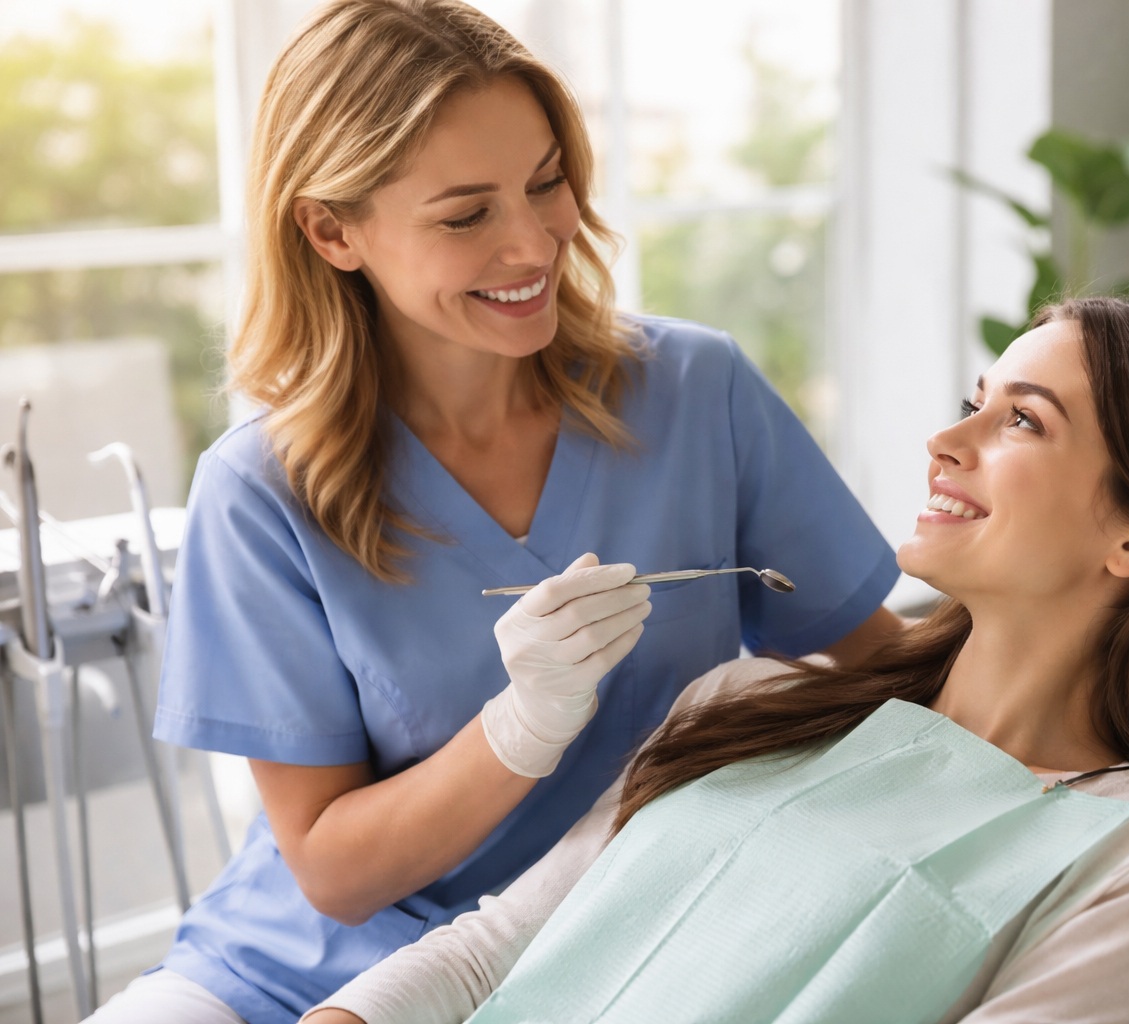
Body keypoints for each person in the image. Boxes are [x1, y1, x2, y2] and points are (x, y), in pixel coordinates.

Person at [89, 2, 903, 1021]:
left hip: (619, 947)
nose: (532, 243)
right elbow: (334, 873)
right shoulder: (263, 490)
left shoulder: (699, 392)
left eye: (547, 183)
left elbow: (888, 668)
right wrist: (522, 728)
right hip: (303, 972)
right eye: (466, 214)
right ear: (333, 229)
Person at [300, 297, 1129, 1024]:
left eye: (1020, 420)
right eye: (976, 397)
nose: (946, 439)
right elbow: (497, 951)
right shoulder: (748, 701)